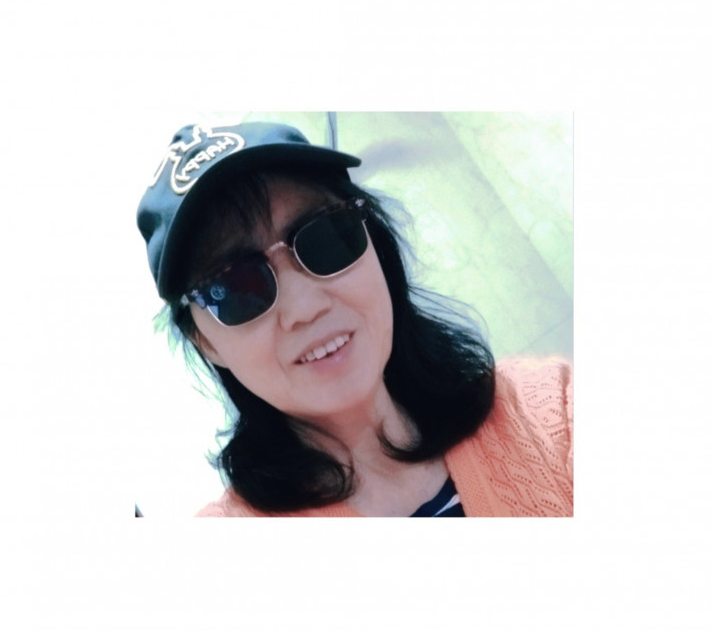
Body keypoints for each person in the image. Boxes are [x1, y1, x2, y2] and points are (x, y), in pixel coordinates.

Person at [136, 121, 573, 517]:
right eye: (236, 286)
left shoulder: (553, 412)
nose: (305, 307)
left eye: (325, 237)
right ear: (206, 343)